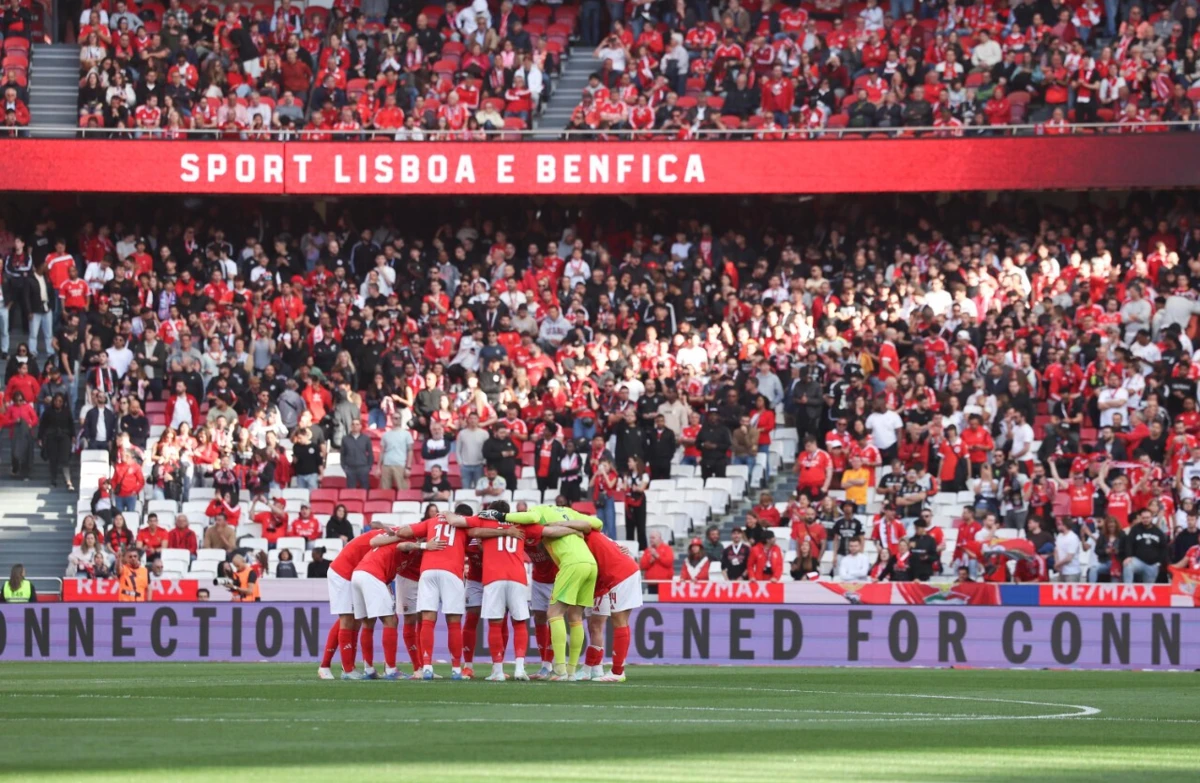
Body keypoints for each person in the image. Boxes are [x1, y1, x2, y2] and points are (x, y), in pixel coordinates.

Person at [494, 503, 603, 680]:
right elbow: (597, 523)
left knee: (554, 614)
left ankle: (559, 670)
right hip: (590, 564)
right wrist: (568, 525)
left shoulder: (539, 511)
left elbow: (530, 518)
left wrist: (502, 516)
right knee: (575, 617)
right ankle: (571, 671)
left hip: (571, 563)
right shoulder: (569, 512)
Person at [466, 500, 533, 681]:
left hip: (493, 578)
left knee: (495, 623)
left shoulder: (485, 523)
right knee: (519, 623)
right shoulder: (521, 523)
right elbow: (544, 529)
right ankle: (520, 669)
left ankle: (497, 671)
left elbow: (471, 531)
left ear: (491, 512)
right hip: (518, 577)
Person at [37, 392, 74, 489]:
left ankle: (68, 481)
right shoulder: (48, 411)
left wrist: (73, 436)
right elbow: (42, 425)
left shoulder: (66, 411)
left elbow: (71, 424)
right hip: (51, 437)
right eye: (56, 401)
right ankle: (53, 480)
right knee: (53, 459)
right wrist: (40, 437)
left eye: (60, 401)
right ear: (53, 401)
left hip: (64, 436)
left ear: (63, 402)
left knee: (65, 459)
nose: (58, 403)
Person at [1122, 509, 1169, 584]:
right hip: (1138, 561)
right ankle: (1127, 589)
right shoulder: (1135, 529)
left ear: (1151, 518)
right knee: (1128, 565)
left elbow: (1163, 548)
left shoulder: (1158, 532)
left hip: (1152, 564)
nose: (1145, 520)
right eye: (1143, 518)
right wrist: (1128, 556)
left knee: (1148, 588)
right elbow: (1129, 543)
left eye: (1147, 517)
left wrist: (1159, 562)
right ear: (1141, 518)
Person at [379, 418, 414, 490]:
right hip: (386, 464)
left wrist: (408, 467)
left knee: (403, 490)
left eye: (398, 418)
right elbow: (382, 451)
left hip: (400, 464)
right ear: (392, 420)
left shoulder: (406, 434)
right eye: (394, 418)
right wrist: (378, 467)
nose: (396, 420)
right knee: (385, 490)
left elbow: (410, 450)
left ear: (401, 420)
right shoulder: (385, 435)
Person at [340, 418, 373, 490]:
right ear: (350, 426)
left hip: (363, 468)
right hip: (350, 469)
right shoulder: (345, 439)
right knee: (351, 491)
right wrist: (344, 467)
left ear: (361, 426)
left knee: (365, 490)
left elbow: (370, 454)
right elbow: (342, 454)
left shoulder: (366, 438)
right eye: (353, 424)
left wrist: (368, 467)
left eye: (357, 424)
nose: (355, 426)